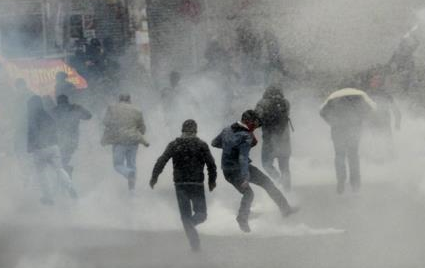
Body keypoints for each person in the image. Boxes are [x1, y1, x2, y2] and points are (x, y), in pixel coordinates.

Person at [211, 109, 298, 233]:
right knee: (260, 188)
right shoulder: (245, 136)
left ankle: (285, 209)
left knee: (254, 190)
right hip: (241, 169)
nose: (257, 126)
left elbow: (214, 143)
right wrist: (245, 177)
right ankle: (243, 218)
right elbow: (243, 158)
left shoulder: (227, 130)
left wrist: (229, 147)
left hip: (227, 171)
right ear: (249, 121)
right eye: (256, 123)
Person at [150, 119, 217, 252]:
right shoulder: (201, 145)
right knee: (201, 214)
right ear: (195, 130)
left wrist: (154, 176)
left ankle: (194, 243)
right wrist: (212, 181)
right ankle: (193, 232)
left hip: (180, 185)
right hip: (197, 184)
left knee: (185, 217)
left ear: (182, 130)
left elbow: (161, 161)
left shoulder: (174, 145)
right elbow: (211, 164)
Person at [27, 95, 77, 204]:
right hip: (53, 147)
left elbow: (33, 132)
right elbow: (54, 129)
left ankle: (48, 197)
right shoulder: (47, 115)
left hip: (39, 149)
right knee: (59, 169)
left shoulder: (32, 117)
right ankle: (70, 187)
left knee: (41, 174)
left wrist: (30, 147)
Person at [320, 94, 371, 194]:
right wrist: (359, 120)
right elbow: (368, 110)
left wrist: (332, 122)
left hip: (338, 131)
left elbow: (322, 113)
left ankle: (341, 181)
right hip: (353, 131)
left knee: (340, 156)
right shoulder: (357, 98)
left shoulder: (334, 99)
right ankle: (355, 183)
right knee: (353, 157)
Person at [101, 93, 148, 190]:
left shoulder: (112, 108)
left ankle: (128, 173)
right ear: (129, 99)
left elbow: (105, 122)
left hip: (119, 141)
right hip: (133, 141)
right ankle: (132, 191)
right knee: (132, 164)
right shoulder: (137, 110)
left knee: (118, 165)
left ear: (119, 99)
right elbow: (142, 129)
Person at [254, 85, 293, 190]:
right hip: (285, 141)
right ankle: (287, 190)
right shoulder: (286, 103)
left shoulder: (262, 103)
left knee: (266, 164)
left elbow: (256, 118)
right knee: (285, 167)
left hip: (269, 141)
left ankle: (278, 179)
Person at [52, 94, 93, 173]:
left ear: (58, 102)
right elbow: (88, 116)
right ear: (67, 101)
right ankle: (66, 172)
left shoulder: (55, 110)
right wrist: (79, 110)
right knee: (66, 157)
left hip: (59, 139)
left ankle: (64, 173)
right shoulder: (74, 108)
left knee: (62, 158)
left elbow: (47, 123)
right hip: (73, 138)